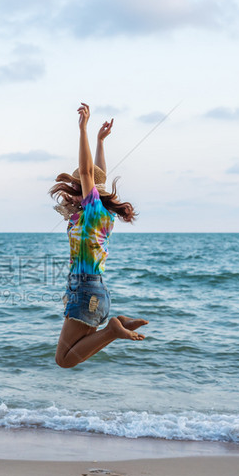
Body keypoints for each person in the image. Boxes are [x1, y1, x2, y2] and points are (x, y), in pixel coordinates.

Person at [50, 103, 147, 368]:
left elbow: (87, 173)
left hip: (85, 292)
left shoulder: (92, 211)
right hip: (95, 293)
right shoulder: (101, 214)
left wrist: (83, 129)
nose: (73, 189)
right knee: (73, 355)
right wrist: (100, 142)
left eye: (77, 186)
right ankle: (117, 325)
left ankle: (113, 329)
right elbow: (97, 180)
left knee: (64, 361)